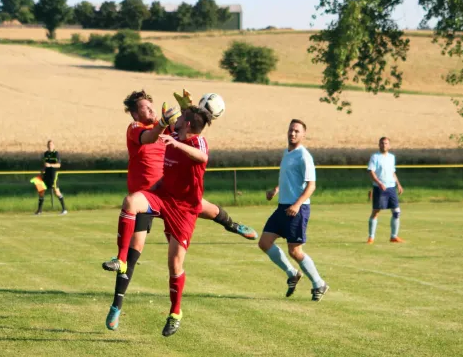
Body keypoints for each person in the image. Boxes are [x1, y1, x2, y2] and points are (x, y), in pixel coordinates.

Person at [103, 90, 257, 332]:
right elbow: (156, 135)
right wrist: (168, 123)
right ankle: (116, 306)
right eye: (145, 107)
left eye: (151, 105)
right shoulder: (137, 127)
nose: (151, 110)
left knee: (203, 210)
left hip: (178, 198)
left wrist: (188, 108)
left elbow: (194, 125)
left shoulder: (173, 129)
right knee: (133, 253)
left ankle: (232, 225)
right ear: (135, 113)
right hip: (153, 195)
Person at [106, 106, 212, 337]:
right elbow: (159, 132)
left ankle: (175, 313)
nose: (178, 119)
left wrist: (178, 145)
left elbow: (203, 157)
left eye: (181, 118)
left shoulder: (197, 142)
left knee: (174, 265)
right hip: (162, 196)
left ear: (188, 125)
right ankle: (121, 260)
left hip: (184, 210)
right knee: (131, 202)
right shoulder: (174, 133)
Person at [258, 119, 329, 302]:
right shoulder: (287, 153)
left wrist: (297, 205)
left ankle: (319, 283)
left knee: (295, 251)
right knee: (265, 242)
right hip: (282, 207)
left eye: (297, 131)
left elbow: (311, 186)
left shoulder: (304, 156)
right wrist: (276, 190)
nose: (293, 133)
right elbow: (289, 179)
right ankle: (292, 273)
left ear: (304, 135)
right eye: (291, 130)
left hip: (298, 208)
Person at [367, 137, 404, 244]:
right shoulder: (375, 157)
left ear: (389, 145)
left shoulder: (392, 157)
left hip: (391, 188)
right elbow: (371, 172)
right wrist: (379, 183)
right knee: (376, 212)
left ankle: (393, 236)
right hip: (379, 188)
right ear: (379, 145)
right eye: (382, 143)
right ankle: (371, 237)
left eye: (386, 143)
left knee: (396, 212)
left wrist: (398, 184)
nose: (384, 145)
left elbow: (393, 172)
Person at [35, 140, 67, 215]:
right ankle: (39, 210)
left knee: (56, 191)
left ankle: (64, 209)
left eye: (51, 144)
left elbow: (59, 165)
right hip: (46, 174)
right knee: (41, 191)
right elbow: (45, 164)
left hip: (53, 174)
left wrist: (50, 165)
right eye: (49, 144)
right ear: (47, 146)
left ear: (54, 146)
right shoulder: (45, 154)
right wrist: (42, 171)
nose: (50, 146)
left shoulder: (56, 154)